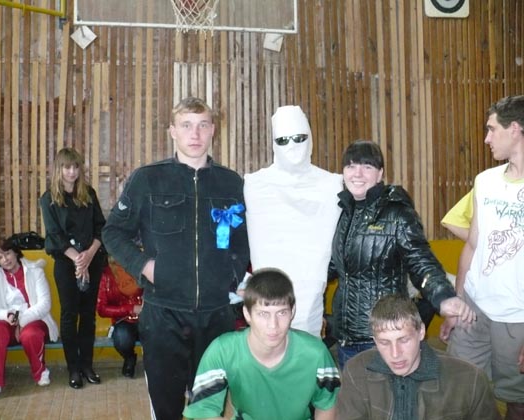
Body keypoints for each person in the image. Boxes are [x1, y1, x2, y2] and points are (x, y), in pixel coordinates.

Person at [102, 97, 250, 419]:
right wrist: (145, 267)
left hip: (216, 316)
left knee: (208, 408)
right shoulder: (147, 180)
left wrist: (231, 276)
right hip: (163, 316)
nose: (194, 134)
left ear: (213, 130)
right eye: (186, 125)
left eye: (202, 125)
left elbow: (243, 241)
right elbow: (113, 232)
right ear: (172, 131)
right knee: (166, 409)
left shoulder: (231, 183)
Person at [328, 140, 475, 371]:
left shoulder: (397, 213)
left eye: (367, 166)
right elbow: (332, 265)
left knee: (388, 394)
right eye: (351, 166)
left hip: (386, 335)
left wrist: (443, 296)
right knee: (356, 393)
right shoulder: (344, 214)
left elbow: (420, 261)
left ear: (380, 174)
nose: (358, 173)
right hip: (346, 337)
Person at [442, 95, 524, 420]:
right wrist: (457, 304)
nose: (487, 138)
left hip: (517, 317)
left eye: (492, 129)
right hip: (474, 309)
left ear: (514, 129)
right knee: (458, 389)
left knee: (518, 402)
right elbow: (473, 245)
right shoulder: (485, 181)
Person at [183, 268, 340, 420]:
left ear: (292, 312)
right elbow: (204, 411)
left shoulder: (315, 354)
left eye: (282, 312)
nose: (273, 325)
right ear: (247, 313)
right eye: (263, 314)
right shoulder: (223, 351)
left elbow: (327, 405)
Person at [244, 105, 342, 337]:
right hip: (268, 295)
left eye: (299, 138)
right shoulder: (255, 185)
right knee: (269, 348)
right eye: (283, 140)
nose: (292, 146)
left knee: (306, 350)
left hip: (312, 294)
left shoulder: (332, 185)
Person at [336, 294, 501, 419]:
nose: (395, 354)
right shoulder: (356, 371)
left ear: (421, 331)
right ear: (374, 341)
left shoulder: (469, 380)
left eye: (404, 340)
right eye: (384, 343)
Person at [39, 147, 107, 389]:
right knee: (69, 316)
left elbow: (101, 228)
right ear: (59, 169)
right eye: (67, 167)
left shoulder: (89, 193)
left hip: (92, 260)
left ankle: (87, 366)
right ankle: (73, 369)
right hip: (66, 263)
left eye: (76, 166)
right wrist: (78, 259)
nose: (72, 171)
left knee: (88, 316)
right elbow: (54, 235)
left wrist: (88, 256)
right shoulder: (48, 199)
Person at [0, 238, 59, 402]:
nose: (5, 260)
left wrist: (22, 320)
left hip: (34, 318)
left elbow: (44, 304)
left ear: (15, 252)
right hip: (9, 321)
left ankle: (40, 372)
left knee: (29, 334)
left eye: (7, 254)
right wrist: (7, 316)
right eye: (0, 257)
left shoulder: (35, 271)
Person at [96, 260, 143, 378]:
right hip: (124, 320)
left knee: (161, 334)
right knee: (122, 338)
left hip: (147, 317)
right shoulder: (106, 275)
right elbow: (102, 309)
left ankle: (154, 363)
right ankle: (129, 358)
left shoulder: (141, 266)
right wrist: (130, 308)